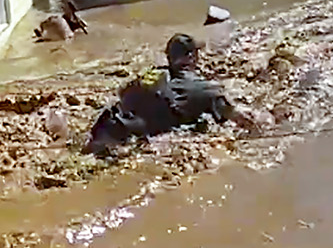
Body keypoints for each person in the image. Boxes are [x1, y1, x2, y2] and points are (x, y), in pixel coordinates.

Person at [81, 33, 263, 157]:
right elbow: (245, 119)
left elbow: (122, 92)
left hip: (103, 127)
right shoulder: (206, 89)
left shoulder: (149, 75)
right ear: (192, 57)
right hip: (129, 142)